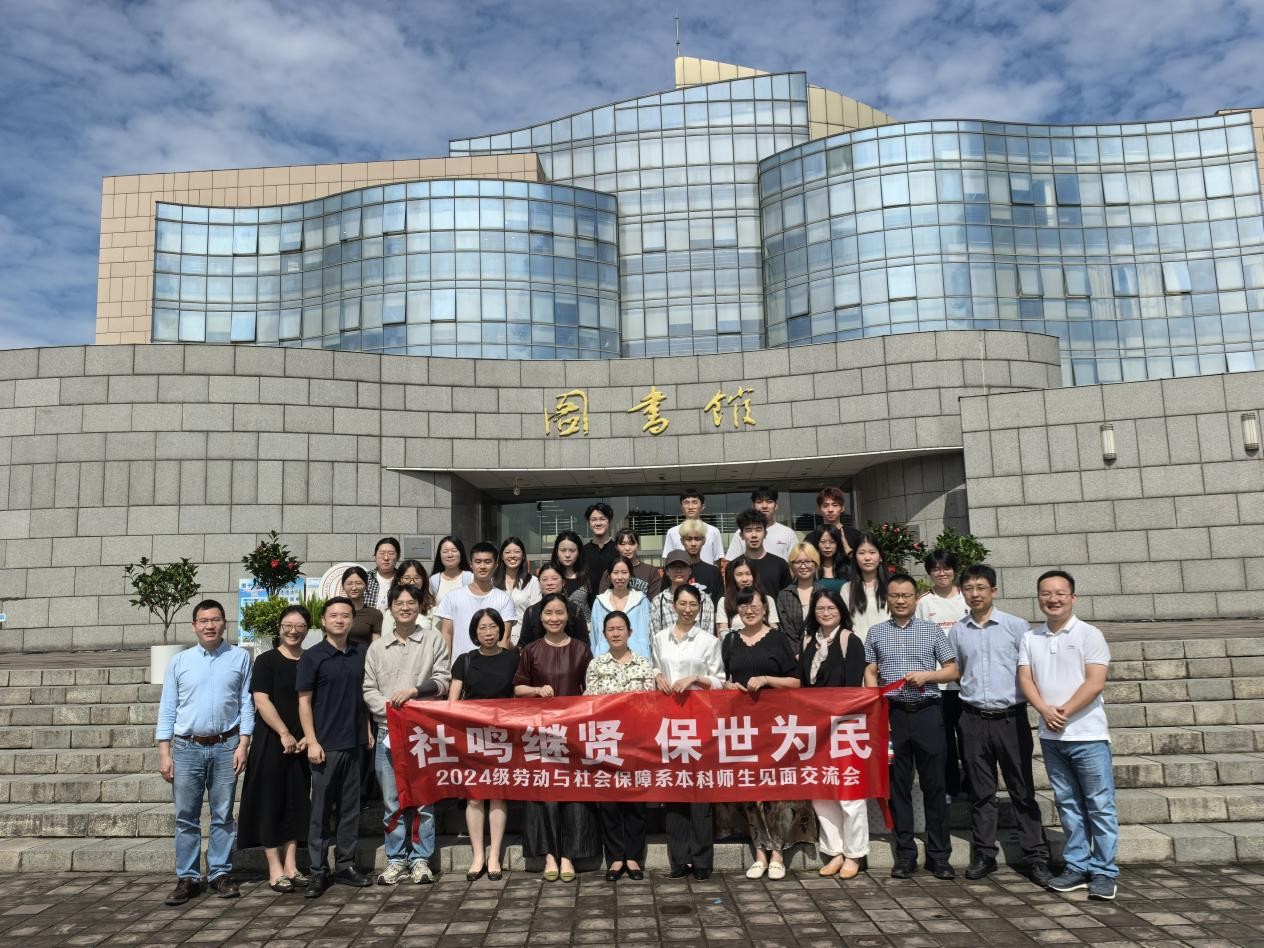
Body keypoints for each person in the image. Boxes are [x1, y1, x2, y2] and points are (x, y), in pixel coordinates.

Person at [949, 564, 1051, 886]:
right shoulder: (957, 630)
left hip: (1011, 719)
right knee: (981, 793)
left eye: (981, 587)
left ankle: (1036, 856)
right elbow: (957, 671)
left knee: (1022, 790)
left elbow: (1031, 670)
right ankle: (984, 854)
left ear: (993, 590)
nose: (975, 594)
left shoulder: (1016, 627)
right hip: (972, 720)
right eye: (968, 588)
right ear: (962, 592)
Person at [1020, 570, 1118, 900]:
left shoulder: (1090, 634)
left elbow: (1095, 682)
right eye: (1046, 593)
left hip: (1088, 736)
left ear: (1073, 597)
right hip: (1052, 738)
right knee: (1068, 805)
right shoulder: (1030, 638)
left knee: (1100, 806)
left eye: (1060, 593)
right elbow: (1025, 679)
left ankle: (1104, 871)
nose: (1053, 599)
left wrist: (1061, 712)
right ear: (1039, 598)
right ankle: (1077, 866)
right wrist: (1044, 711)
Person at [155, 599, 253, 905]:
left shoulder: (240, 657)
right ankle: (188, 877)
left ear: (225, 623)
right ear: (194, 626)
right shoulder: (180, 662)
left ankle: (220, 874)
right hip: (187, 747)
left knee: (223, 814)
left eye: (215, 620)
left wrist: (244, 744)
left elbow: (246, 703)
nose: (209, 625)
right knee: (186, 816)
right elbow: (168, 708)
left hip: (226, 746)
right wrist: (164, 751)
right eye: (203, 620)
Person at [864, 573, 959, 880]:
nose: (900, 600)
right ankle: (905, 854)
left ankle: (939, 855)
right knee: (897, 786)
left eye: (906, 595)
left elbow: (952, 670)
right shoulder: (876, 632)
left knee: (935, 785)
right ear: (887, 599)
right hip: (892, 717)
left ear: (915, 598)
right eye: (895, 596)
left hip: (928, 713)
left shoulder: (932, 631)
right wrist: (875, 706)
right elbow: (870, 671)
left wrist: (927, 676)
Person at [721, 587, 813, 880]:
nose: (749, 610)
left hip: (776, 725)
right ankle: (759, 851)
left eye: (754, 605)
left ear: (765, 609)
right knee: (750, 790)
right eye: (743, 606)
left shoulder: (777, 638)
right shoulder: (730, 640)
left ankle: (777, 853)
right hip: (743, 727)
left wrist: (766, 679)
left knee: (776, 790)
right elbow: (725, 678)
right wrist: (728, 686)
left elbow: (796, 681)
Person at [362, 583, 451, 886]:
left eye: (410, 603)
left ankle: (421, 859)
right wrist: (392, 711)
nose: (405, 608)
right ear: (390, 608)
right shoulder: (377, 648)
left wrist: (414, 692)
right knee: (392, 802)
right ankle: (396, 859)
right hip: (388, 732)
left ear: (419, 606)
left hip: (421, 733)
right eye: (398, 603)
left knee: (424, 801)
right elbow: (369, 690)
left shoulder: (433, 640)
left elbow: (442, 680)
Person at [514, 592, 600, 881]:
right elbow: (518, 688)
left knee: (574, 793)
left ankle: (569, 856)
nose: (554, 618)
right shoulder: (531, 650)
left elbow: (591, 688)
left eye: (559, 612)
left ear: (569, 616)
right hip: (540, 734)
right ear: (540, 617)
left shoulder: (581, 649)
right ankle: (549, 855)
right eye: (549, 613)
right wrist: (537, 691)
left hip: (573, 733)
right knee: (544, 794)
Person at [297, 597, 373, 899]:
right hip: (325, 746)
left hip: (355, 742)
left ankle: (345, 864)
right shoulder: (313, 657)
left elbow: (365, 695)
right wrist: (312, 740)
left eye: (345, 615)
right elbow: (304, 702)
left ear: (352, 620)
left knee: (350, 809)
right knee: (320, 811)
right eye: (334, 615)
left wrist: (367, 729)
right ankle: (318, 870)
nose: (339, 620)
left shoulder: (361, 652)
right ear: (323, 621)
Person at [236, 604, 311, 894]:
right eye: (287, 625)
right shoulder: (266, 660)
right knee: (270, 801)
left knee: (296, 801)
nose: (293, 631)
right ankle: (274, 868)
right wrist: (284, 733)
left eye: (300, 626)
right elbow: (261, 700)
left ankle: (291, 865)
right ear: (279, 628)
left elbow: (313, 702)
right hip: (271, 741)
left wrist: (307, 736)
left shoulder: (310, 660)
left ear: (307, 629)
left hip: (302, 743)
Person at [652, 583, 724, 881]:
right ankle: (679, 860)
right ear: (673, 606)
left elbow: (720, 681)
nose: (687, 609)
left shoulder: (709, 641)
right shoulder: (660, 638)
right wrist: (657, 676)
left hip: (699, 723)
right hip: (669, 722)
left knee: (700, 790)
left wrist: (696, 678)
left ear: (700, 608)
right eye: (682, 603)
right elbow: (654, 668)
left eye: (693, 604)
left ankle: (702, 860)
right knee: (674, 790)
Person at [799, 589, 869, 880]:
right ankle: (834, 851)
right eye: (820, 608)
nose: (825, 613)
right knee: (821, 791)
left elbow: (853, 688)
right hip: (814, 728)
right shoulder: (808, 641)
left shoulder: (849, 640)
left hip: (844, 727)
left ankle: (855, 853)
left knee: (849, 791)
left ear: (841, 610)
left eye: (831, 608)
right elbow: (802, 685)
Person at [585, 611, 657, 882]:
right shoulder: (596, 664)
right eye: (610, 629)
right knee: (610, 801)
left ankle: (634, 857)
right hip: (606, 741)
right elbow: (590, 703)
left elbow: (650, 702)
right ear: (604, 634)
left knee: (636, 801)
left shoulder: (643, 664)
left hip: (636, 740)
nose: (615, 633)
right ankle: (615, 858)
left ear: (630, 632)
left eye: (620, 628)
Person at [451, 609, 519, 881]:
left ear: (501, 629)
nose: (488, 633)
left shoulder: (513, 659)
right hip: (472, 737)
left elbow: (518, 696)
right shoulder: (465, 660)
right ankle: (478, 854)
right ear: (474, 632)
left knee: (498, 794)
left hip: (503, 737)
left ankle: (494, 856)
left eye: (493, 627)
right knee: (475, 796)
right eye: (482, 628)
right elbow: (453, 702)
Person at [917, 549, 969, 803]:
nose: (941, 573)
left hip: (967, 682)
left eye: (946, 568)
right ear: (929, 573)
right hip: (938, 683)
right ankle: (950, 786)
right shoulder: (924, 603)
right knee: (944, 738)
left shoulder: (967, 597)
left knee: (969, 737)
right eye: (935, 569)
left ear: (954, 570)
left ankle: (974, 785)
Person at [437, 541, 517, 660]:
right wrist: (446, 667)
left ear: (496, 565)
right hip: (461, 667)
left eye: (488, 562)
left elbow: (504, 638)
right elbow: (447, 635)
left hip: (492, 666)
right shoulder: (452, 597)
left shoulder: (504, 599)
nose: (482, 566)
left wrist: (499, 666)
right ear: (471, 564)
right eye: (478, 562)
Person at [590, 557, 652, 659]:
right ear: (609, 576)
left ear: (630, 575)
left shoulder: (641, 600)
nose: (620, 577)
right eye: (615, 573)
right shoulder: (600, 602)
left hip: (638, 659)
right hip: (606, 659)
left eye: (624, 572)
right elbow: (594, 636)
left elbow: (649, 633)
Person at [518, 565, 591, 647]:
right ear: (539, 583)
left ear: (563, 582)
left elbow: (583, 644)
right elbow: (524, 644)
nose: (549, 583)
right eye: (544, 579)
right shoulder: (531, 611)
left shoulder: (575, 610)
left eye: (554, 579)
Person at [650, 551, 716, 636]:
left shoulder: (704, 599)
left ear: (690, 571)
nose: (679, 570)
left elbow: (709, 635)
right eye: (674, 567)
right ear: (666, 571)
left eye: (684, 566)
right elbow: (655, 637)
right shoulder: (658, 601)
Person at [724, 486, 798, 562]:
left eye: (769, 502)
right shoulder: (741, 533)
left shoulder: (788, 533)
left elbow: (795, 562)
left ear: (776, 506)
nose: (764, 506)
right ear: (753, 506)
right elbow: (732, 562)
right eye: (759, 502)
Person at [840, 534, 890, 640]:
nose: (867, 558)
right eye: (861, 553)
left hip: (889, 647)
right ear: (855, 558)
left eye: (872, 552)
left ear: (880, 557)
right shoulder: (847, 589)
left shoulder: (892, 587)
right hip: (858, 647)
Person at [732, 508, 791, 595]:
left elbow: (787, 597)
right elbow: (730, 597)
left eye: (758, 530)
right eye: (748, 530)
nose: (754, 535)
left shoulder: (780, 564)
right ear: (741, 535)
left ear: (765, 534)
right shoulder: (733, 567)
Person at [716, 556, 780, 635]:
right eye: (739, 575)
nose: (744, 579)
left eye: (748, 574)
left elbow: (774, 629)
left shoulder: (768, 600)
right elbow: (723, 632)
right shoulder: (724, 601)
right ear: (733, 577)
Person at [775, 541, 820, 649]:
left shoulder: (824, 593)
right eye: (798, 562)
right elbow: (785, 629)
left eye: (808, 561)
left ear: (815, 564)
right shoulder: (784, 595)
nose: (803, 566)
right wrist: (796, 652)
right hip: (792, 653)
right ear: (792, 565)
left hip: (820, 649)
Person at [661, 488, 724, 564]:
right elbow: (668, 560)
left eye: (694, 502)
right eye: (686, 503)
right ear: (681, 507)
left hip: (707, 571)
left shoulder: (714, 531)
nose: (690, 507)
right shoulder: (672, 532)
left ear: (702, 507)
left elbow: (717, 561)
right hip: (681, 571)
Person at [597, 529, 663, 600]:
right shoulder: (610, 572)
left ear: (638, 546)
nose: (627, 548)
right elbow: (603, 599)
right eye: (623, 544)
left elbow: (654, 601)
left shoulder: (651, 571)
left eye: (631, 543)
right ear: (616, 547)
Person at [495, 537, 541, 638]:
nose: (512, 555)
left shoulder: (533, 582)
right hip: (495, 639)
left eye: (517, 552)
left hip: (523, 639)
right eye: (507, 552)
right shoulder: (492, 582)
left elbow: (535, 615)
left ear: (523, 556)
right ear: (501, 556)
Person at [804, 486, 862, 557]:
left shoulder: (855, 535)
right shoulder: (811, 538)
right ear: (819, 510)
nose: (830, 510)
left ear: (842, 508)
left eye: (835, 505)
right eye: (825, 506)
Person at [676, 519, 722, 604]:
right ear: (682, 541)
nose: (693, 543)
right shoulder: (673, 572)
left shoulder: (714, 572)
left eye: (697, 539)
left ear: (703, 541)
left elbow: (719, 604)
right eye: (689, 539)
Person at [380, 559, 429, 639]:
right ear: (399, 581)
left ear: (423, 580)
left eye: (417, 578)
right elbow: (385, 640)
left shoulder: (432, 609)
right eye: (407, 578)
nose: (412, 582)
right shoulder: (391, 612)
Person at [340, 565, 383, 646]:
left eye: (358, 583)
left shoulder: (374, 614)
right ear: (343, 586)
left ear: (366, 585)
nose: (354, 588)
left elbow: (376, 646)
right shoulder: (335, 612)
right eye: (349, 583)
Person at [583, 502, 619, 594]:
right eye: (594, 520)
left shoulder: (618, 550)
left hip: (615, 600)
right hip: (588, 601)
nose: (598, 523)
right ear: (589, 523)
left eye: (602, 519)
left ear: (609, 521)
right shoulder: (582, 551)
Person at [430, 535, 473, 605]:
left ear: (461, 553)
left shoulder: (471, 578)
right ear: (439, 555)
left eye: (454, 551)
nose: (450, 555)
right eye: (445, 551)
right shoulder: (433, 580)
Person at [549, 529, 589, 599]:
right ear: (556, 552)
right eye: (563, 550)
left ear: (579, 552)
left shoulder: (587, 576)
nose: (567, 555)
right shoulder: (549, 575)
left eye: (572, 550)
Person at [363, 537, 400, 611]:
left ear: (398, 557)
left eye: (391, 553)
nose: (386, 558)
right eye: (382, 553)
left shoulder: (403, 579)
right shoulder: (364, 578)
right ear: (374, 556)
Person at [810, 524, 849, 593]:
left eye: (832, 542)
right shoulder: (810, 568)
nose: (827, 546)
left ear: (837, 544)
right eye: (822, 542)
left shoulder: (847, 568)